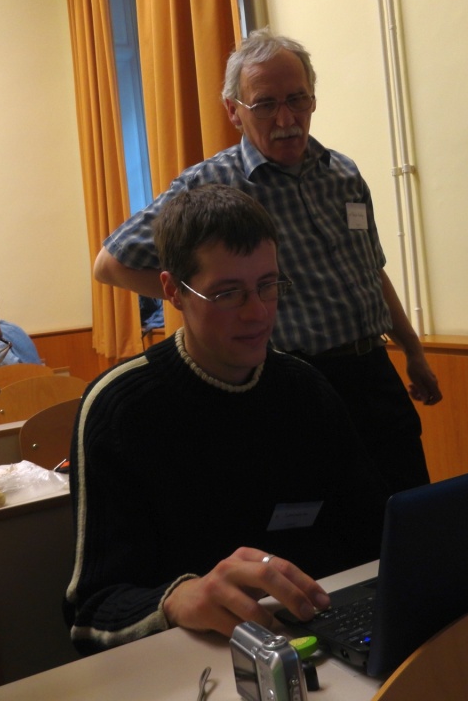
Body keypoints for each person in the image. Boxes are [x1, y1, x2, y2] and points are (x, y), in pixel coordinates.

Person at [93, 28, 440, 494]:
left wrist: (413, 351)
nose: (286, 118)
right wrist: (211, 300)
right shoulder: (210, 185)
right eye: (265, 104)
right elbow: (110, 264)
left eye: (297, 99)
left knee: (408, 507)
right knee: (322, 522)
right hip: (288, 384)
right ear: (233, 111)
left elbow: (371, 269)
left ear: (313, 99)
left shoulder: (343, 173)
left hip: (374, 375)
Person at [65, 184, 389, 654]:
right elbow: (90, 615)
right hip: (192, 661)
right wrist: (174, 599)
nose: (258, 313)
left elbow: (374, 539)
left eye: (268, 286)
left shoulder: (307, 391)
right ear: (173, 291)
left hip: (319, 642)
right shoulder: (120, 408)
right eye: (227, 293)